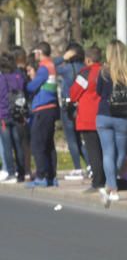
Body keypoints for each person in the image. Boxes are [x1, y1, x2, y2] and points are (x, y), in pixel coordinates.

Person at [95, 40, 127, 205]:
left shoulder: (103, 72)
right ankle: (112, 185)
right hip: (123, 116)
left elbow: (98, 91)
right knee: (120, 154)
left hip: (104, 114)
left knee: (108, 153)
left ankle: (112, 187)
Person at [69, 45, 106, 193]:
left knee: (93, 151)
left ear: (88, 59)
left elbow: (73, 94)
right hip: (105, 115)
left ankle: (97, 182)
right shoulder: (105, 71)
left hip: (88, 118)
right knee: (105, 150)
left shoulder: (85, 74)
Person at [25, 42, 60, 188]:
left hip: (42, 108)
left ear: (40, 52)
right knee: (49, 144)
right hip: (51, 107)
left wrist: (28, 83)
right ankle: (52, 176)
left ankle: (41, 176)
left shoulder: (44, 67)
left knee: (37, 144)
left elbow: (32, 87)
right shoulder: (51, 64)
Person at [56, 43, 87, 180]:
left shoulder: (66, 69)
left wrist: (63, 57)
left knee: (72, 139)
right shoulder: (85, 68)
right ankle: (91, 165)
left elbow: (52, 67)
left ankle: (78, 168)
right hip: (82, 107)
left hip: (68, 106)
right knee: (81, 139)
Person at [0, 52, 29, 183]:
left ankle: (11, 172)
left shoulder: (1, 79)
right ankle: (21, 173)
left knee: (7, 146)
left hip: (3, 116)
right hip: (18, 114)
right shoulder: (18, 76)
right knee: (18, 144)